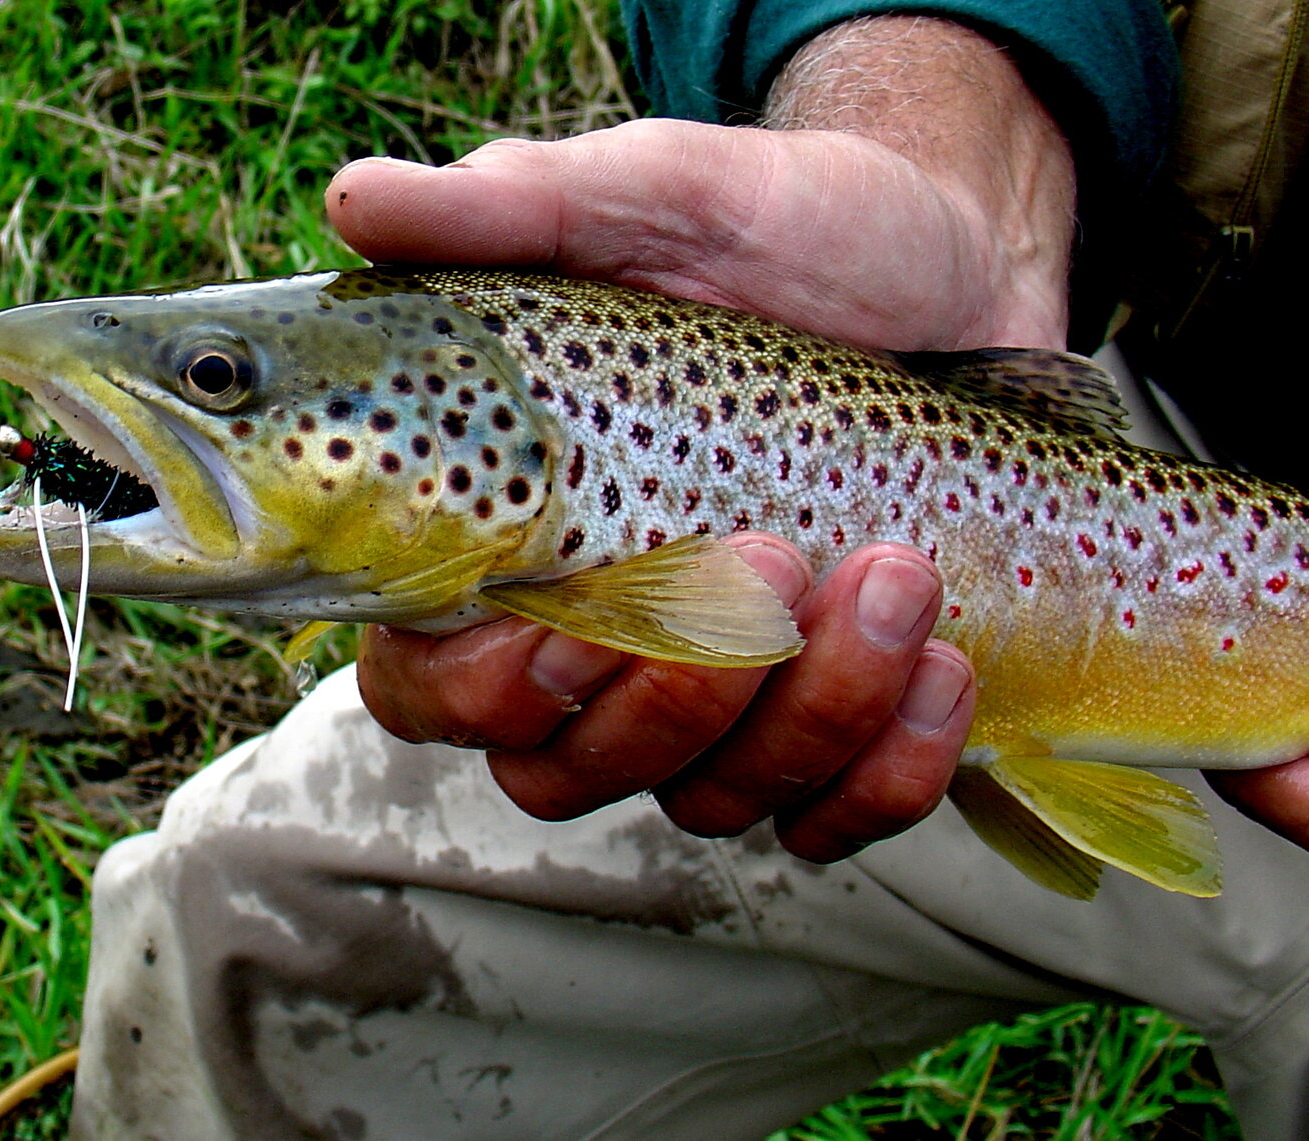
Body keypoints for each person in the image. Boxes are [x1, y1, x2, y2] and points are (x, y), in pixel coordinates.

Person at [69, 5, 1309, 1140]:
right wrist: (955, 118)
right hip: (1156, 428)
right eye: (216, 381)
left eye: (220, 383)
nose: (207, 403)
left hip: (1180, 534)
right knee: (227, 917)